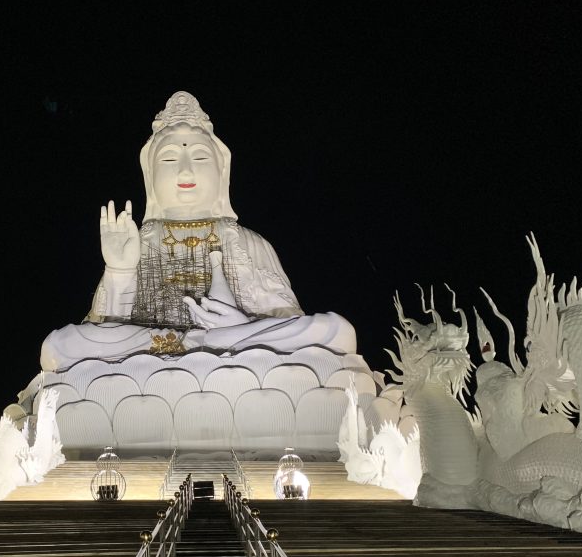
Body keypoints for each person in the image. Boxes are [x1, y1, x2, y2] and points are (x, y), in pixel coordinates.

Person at [40, 91, 356, 371]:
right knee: (60, 345)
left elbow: (289, 319)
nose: (186, 171)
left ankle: (208, 344)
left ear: (222, 172)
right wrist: (119, 271)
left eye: (200, 157)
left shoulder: (248, 243)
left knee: (335, 331)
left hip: (232, 351)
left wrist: (242, 325)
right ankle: (198, 347)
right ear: (150, 177)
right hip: (157, 352)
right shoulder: (139, 242)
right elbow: (102, 328)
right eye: (169, 159)